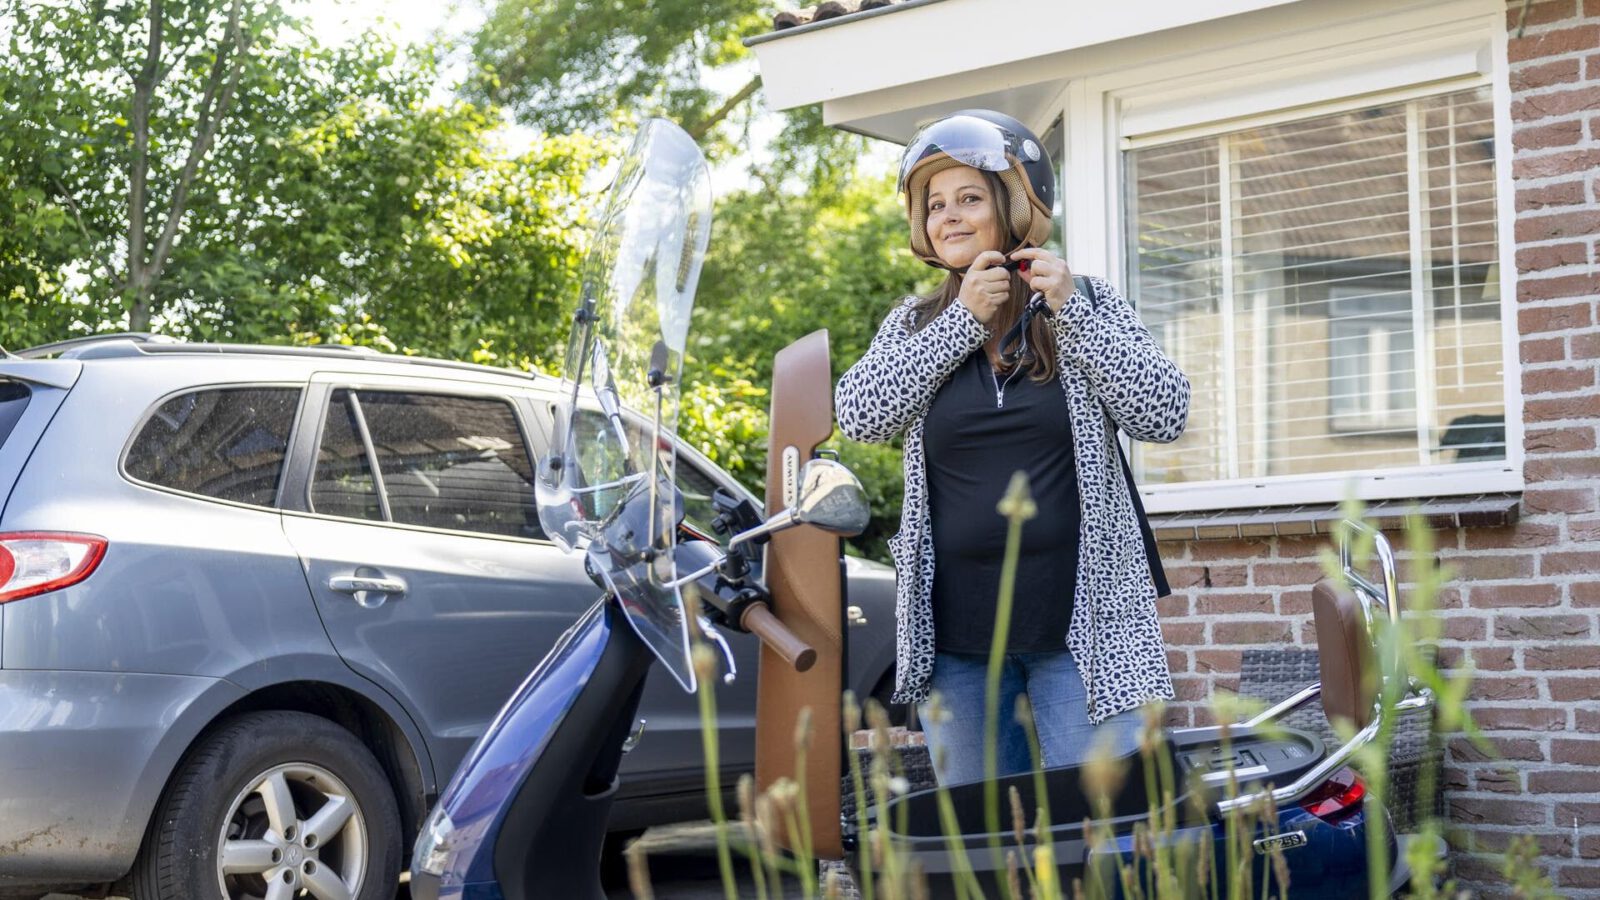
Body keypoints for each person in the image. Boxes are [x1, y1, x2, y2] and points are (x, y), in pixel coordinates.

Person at [834, 110, 1190, 785]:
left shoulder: (1084, 301)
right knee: (983, 843)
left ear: (1015, 207)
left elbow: (1163, 413)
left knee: (1102, 836)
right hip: (959, 646)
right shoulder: (914, 323)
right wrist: (960, 322)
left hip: (1085, 635)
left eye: (969, 198)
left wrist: (1072, 315)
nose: (949, 216)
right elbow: (861, 415)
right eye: (934, 204)